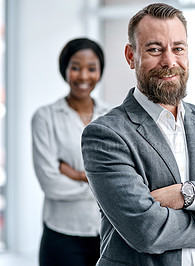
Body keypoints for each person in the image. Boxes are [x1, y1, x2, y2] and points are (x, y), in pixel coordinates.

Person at [80, 3, 195, 266]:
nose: (169, 61)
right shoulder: (106, 134)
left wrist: (188, 194)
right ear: (131, 56)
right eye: (155, 49)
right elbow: (148, 231)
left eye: (178, 48)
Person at [32, 37, 109, 266]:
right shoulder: (45, 117)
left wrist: (76, 175)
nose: (84, 76)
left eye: (91, 68)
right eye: (75, 68)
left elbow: (126, 175)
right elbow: (51, 183)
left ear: (100, 72)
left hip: (107, 234)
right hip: (62, 235)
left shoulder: (112, 116)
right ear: (64, 70)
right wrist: (103, 186)